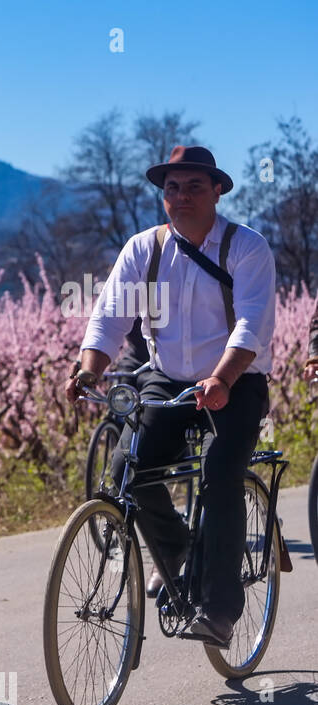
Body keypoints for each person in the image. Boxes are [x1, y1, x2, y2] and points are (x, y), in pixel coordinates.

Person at [66, 145, 275, 648]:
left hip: (236, 380)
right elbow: (112, 313)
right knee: (126, 472)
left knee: (220, 473)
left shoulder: (246, 248)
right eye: (172, 189)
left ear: (217, 191)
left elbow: (252, 323)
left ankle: (219, 610)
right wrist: (90, 368)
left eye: (194, 187)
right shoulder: (145, 249)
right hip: (168, 377)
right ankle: (182, 555)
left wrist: (222, 379)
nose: (181, 197)